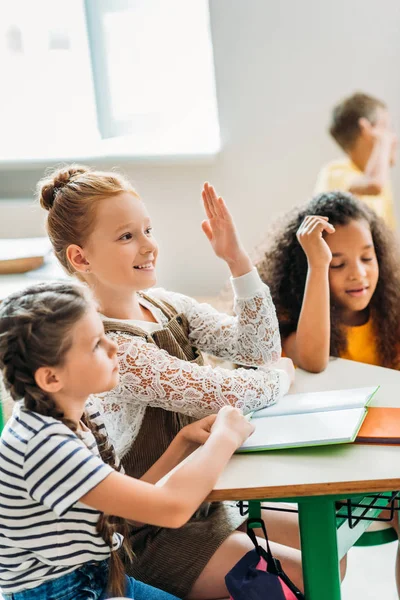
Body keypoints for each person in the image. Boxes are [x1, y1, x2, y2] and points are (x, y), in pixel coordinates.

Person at [37, 165, 300, 599]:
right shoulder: (109, 346)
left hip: (204, 500)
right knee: (298, 577)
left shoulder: (161, 304)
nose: (149, 245)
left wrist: (236, 258)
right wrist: (281, 376)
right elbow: (231, 393)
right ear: (80, 258)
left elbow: (258, 349)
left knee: (330, 555)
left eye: (147, 229)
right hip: (149, 535)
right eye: (127, 237)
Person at [0, 280, 255, 600]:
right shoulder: (43, 447)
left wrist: (183, 442)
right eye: (95, 345)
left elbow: (127, 512)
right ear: (51, 377)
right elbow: (172, 509)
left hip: (98, 577)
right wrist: (226, 436)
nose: (114, 347)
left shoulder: (78, 413)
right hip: (64, 592)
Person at [257, 190, 400, 374]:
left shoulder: (391, 312)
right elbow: (313, 362)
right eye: (337, 264)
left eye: (366, 258)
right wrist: (318, 265)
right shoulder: (287, 321)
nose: (358, 273)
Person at [314, 92, 397, 228]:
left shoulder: (383, 180)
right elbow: (374, 184)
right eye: (386, 128)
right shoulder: (334, 173)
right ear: (366, 129)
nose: (394, 138)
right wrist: (383, 143)